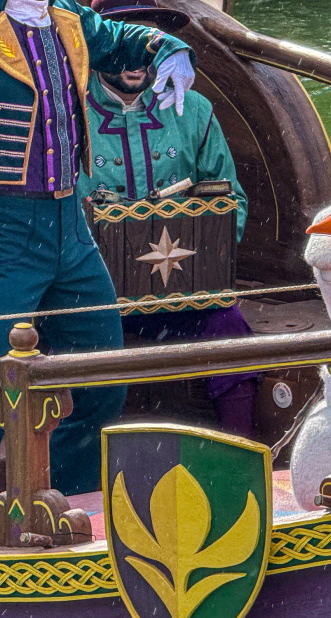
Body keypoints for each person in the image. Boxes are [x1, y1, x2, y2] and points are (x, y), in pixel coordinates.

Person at [0, 0, 196, 512]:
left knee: (101, 377)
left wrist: (173, 49)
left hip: (72, 225)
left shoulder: (69, 16)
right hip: (3, 224)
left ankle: (71, 498)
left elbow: (126, 38)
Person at [79, 0, 258, 437]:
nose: (138, 60)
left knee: (230, 328)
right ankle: (78, 482)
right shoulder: (71, 114)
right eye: (127, 42)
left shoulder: (193, 110)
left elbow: (230, 198)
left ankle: (244, 453)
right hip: (96, 298)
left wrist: (204, 257)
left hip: (185, 292)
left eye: (150, 44)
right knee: (75, 353)